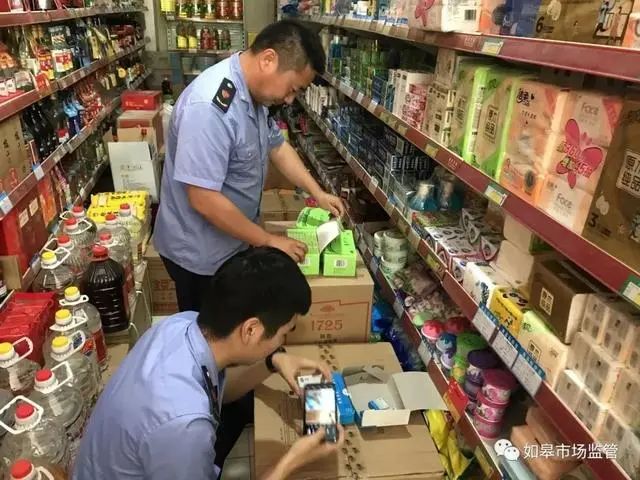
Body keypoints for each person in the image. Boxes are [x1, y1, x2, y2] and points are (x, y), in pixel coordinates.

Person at [73, 247, 344, 480]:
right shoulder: (185, 426)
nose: (282, 340)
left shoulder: (181, 324)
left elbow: (217, 389)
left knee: (239, 407)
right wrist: (291, 461)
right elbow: (188, 416)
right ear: (251, 330)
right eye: (284, 333)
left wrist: (274, 360)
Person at [154, 19, 345, 314]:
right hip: (200, 256)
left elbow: (278, 147)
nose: (290, 99)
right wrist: (268, 240)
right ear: (268, 60)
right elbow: (203, 198)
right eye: (292, 88)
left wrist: (316, 192)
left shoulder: (253, 95)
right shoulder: (209, 108)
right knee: (211, 331)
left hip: (233, 241)